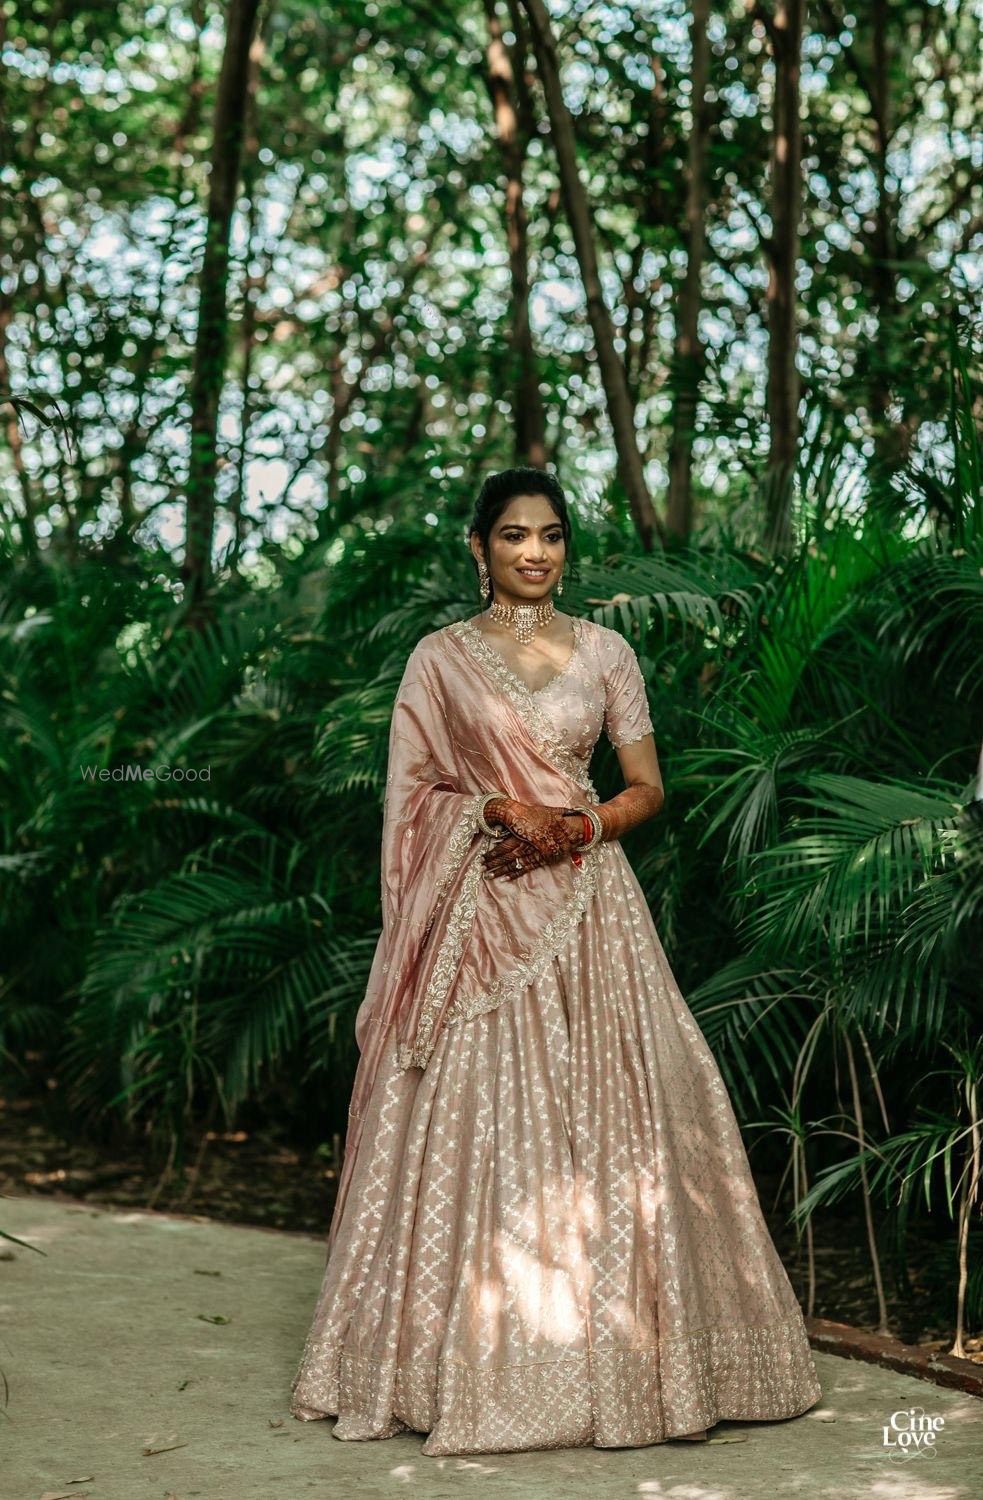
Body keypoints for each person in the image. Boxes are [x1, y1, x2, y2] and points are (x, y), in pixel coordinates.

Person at [289, 467, 822, 1455]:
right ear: (478, 548)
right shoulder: (439, 661)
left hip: (589, 904)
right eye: (511, 537)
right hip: (480, 905)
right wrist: (496, 809)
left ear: (566, 546)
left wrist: (574, 825)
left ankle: (633, 1359)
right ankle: (456, 1362)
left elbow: (646, 787)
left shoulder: (606, 650)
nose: (532, 554)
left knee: (628, 1105)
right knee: (465, 1113)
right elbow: (412, 793)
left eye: (549, 536)